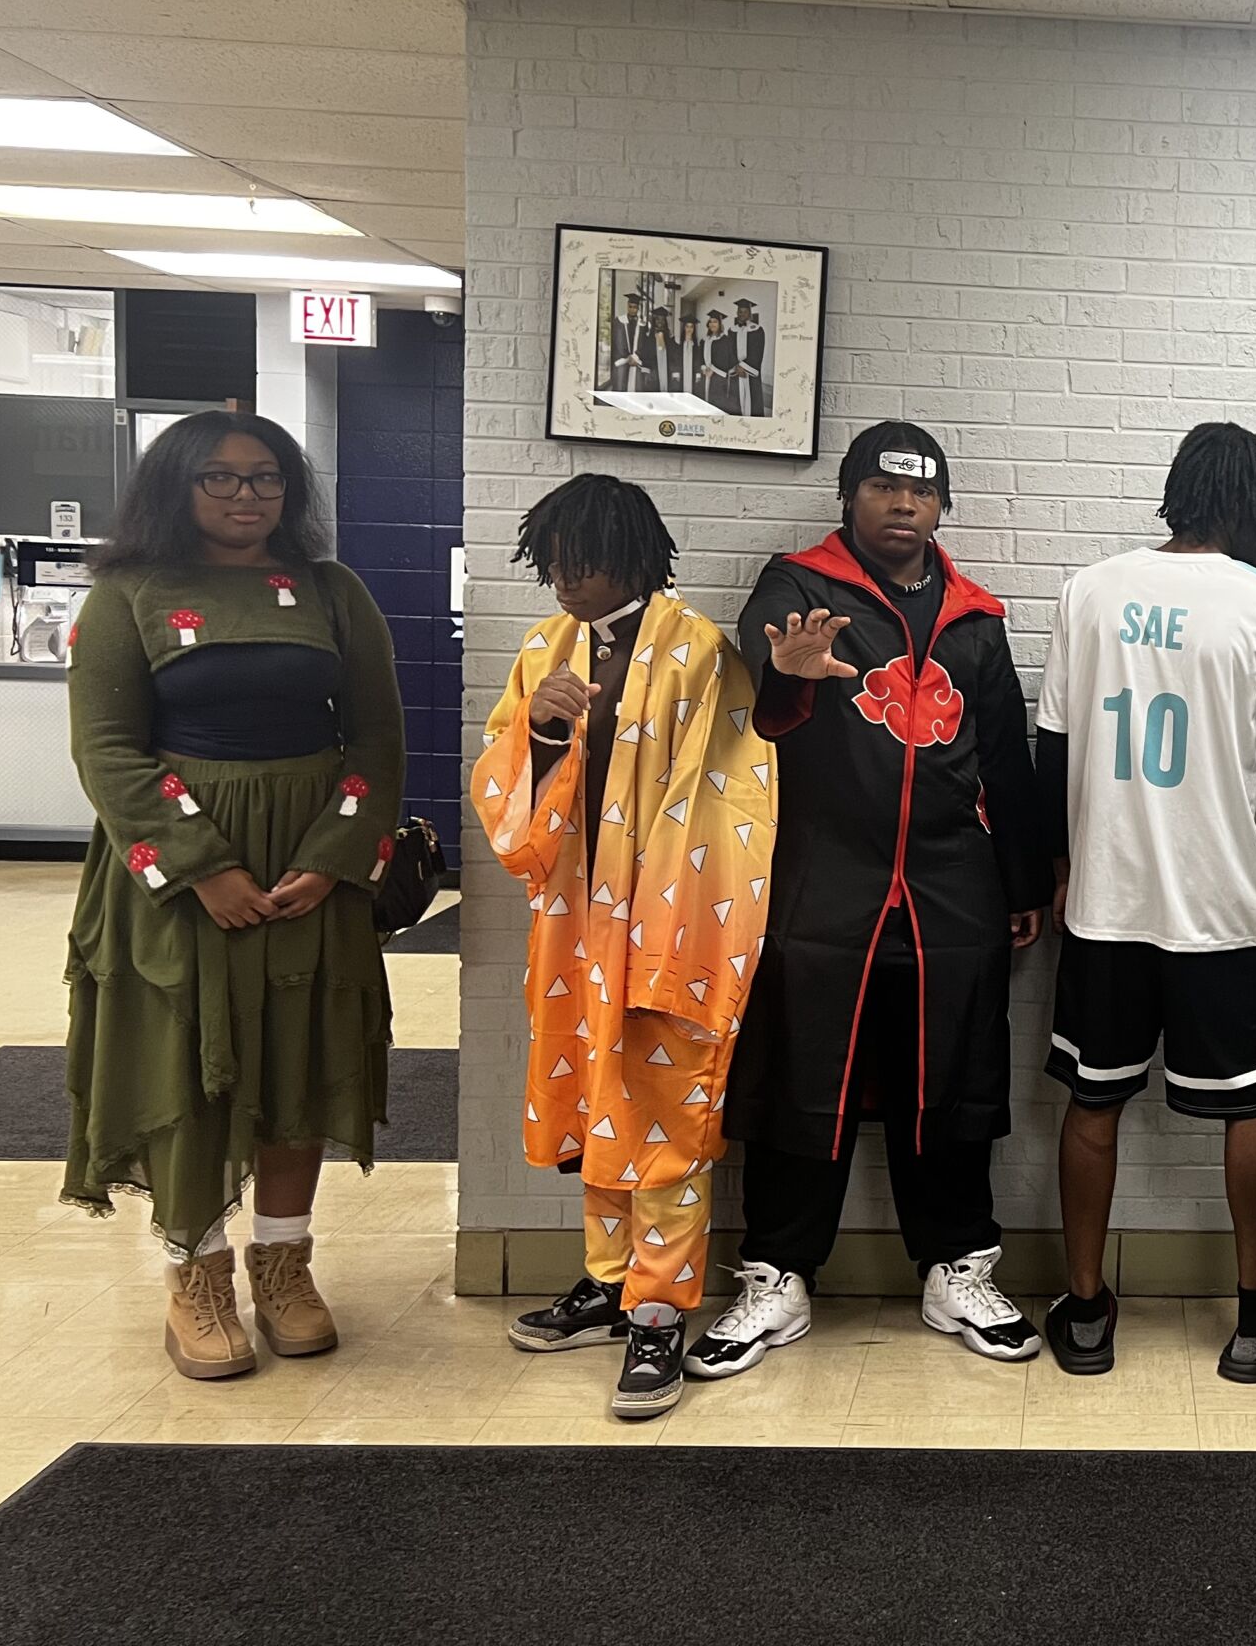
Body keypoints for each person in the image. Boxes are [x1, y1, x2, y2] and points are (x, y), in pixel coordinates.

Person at [691, 422, 1050, 1379]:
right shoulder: (801, 587)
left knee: (952, 1079)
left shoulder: (975, 617)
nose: (904, 507)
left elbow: (1006, 760)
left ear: (942, 507)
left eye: (922, 493)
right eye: (885, 490)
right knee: (806, 1073)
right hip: (824, 877)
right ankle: (776, 1276)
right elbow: (761, 673)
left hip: (951, 885)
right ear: (849, 497)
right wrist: (789, 672)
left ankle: (957, 1267)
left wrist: (1023, 880)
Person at [62, 412, 401, 1380]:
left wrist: (336, 854)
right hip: (176, 877)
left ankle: (284, 1267)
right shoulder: (127, 593)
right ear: (176, 486)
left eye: (267, 479)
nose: (247, 496)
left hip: (310, 864)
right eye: (221, 478)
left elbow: (376, 737)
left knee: (300, 1064)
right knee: (188, 1069)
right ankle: (195, 1274)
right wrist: (203, 866)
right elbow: (108, 750)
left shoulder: (333, 592)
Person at [1036, 422, 1256, 1384]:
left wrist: (1058, 865)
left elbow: (1053, 746)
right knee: (1250, 1106)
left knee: (1094, 1098)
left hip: (1106, 905)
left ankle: (1085, 1311)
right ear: (1254, 506)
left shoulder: (1091, 588)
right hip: (1225, 911)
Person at [473, 475, 778, 1419]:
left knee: (666, 1112)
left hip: (671, 921)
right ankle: (609, 1283)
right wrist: (547, 725)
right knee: (597, 1106)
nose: (567, 578)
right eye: (556, 560)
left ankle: (658, 1314)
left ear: (636, 556)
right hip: (573, 924)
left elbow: (735, 797)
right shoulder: (543, 650)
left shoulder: (700, 653)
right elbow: (508, 790)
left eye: (587, 559)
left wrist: (674, 933)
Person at [730, 297, 769, 418]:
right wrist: (736, 367)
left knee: (753, 402)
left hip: (750, 372)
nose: (742, 314)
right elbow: (729, 351)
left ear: (749, 313)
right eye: (740, 312)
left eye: (745, 311)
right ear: (737, 313)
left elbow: (758, 352)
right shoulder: (732, 330)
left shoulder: (757, 330)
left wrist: (743, 367)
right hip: (736, 371)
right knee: (736, 402)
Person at [608, 291, 652, 394]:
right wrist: (628, 357)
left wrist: (636, 356)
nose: (632, 309)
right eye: (630, 307)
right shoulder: (619, 321)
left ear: (638, 309)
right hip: (622, 359)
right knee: (620, 387)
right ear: (627, 306)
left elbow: (644, 343)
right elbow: (617, 342)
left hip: (636, 360)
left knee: (635, 388)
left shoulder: (643, 324)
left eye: (635, 307)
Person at [700, 309, 736, 412]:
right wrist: (703, 368)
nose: (712, 324)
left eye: (715, 321)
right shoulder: (705, 339)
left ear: (720, 324)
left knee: (717, 404)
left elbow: (728, 359)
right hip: (705, 374)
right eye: (710, 321)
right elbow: (700, 357)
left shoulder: (726, 340)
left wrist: (713, 370)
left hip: (718, 376)